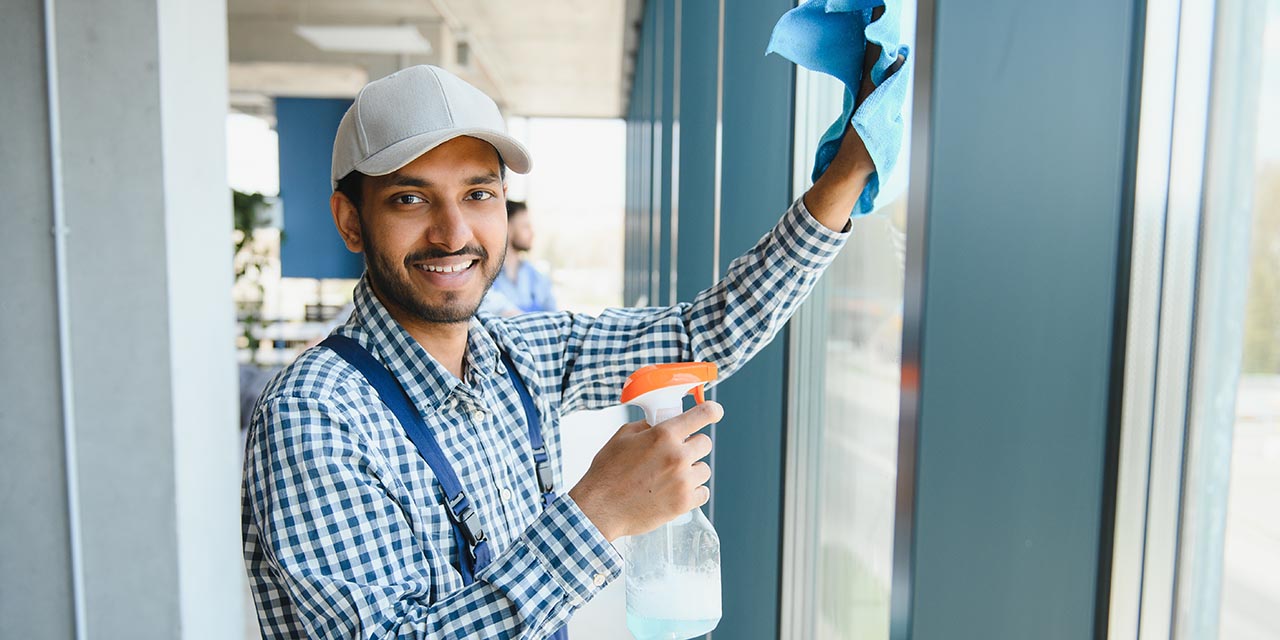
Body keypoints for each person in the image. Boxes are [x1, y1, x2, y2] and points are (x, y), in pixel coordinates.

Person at [242, 61, 881, 639]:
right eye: (410, 198)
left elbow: (701, 334)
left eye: (478, 194)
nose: (454, 233)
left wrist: (847, 171)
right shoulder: (315, 415)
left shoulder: (518, 356)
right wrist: (597, 514)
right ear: (350, 219)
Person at [479, 200, 557, 316]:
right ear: (507, 227)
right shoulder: (483, 278)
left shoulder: (539, 279)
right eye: (525, 227)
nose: (532, 233)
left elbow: (556, 322)